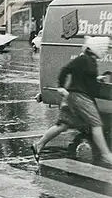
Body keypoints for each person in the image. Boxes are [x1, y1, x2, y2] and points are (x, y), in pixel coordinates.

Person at [31, 36, 112, 167]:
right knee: (96, 123)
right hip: (80, 97)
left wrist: (97, 78)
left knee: (64, 124)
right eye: (105, 49)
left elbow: (81, 77)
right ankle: (106, 155)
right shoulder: (86, 60)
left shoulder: (86, 59)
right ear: (98, 48)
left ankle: (38, 144)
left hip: (73, 96)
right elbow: (68, 72)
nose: (105, 51)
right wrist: (61, 86)